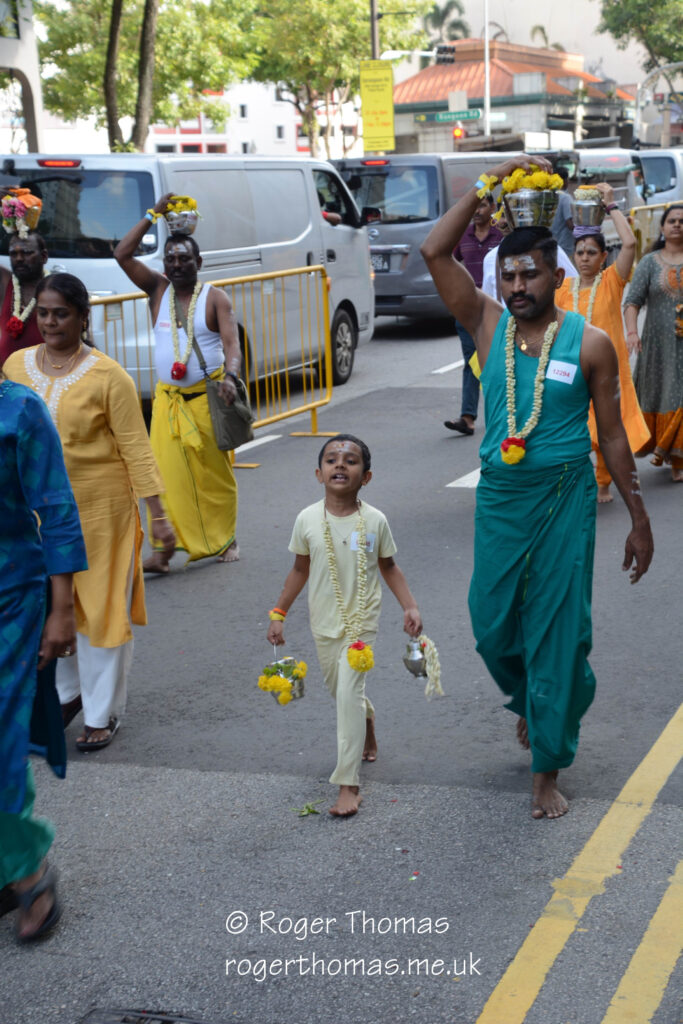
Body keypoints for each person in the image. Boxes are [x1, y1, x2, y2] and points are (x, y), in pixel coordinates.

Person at [421, 156, 653, 819]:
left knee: (555, 633)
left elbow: (610, 438)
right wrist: (482, 190)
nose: (518, 284)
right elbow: (434, 250)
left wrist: (636, 516)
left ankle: (546, 769)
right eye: (509, 274)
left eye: (530, 273)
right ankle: (540, 700)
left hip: (564, 497)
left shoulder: (590, 344)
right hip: (499, 497)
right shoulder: (486, 325)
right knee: (490, 628)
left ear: (557, 275)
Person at [4, 273, 175, 751]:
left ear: (83, 317)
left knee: (99, 608)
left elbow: (136, 450)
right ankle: (65, 695)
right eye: (43, 312)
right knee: (50, 607)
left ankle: (102, 713)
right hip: (37, 515)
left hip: (102, 512)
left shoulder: (108, 376)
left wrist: (157, 514)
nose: (51, 321)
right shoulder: (16, 367)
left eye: (61, 313)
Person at [267, 434, 422, 818]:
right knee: (341, 693)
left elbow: (389, 566)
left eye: (351, 461)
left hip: (361, 624)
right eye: (332, 460)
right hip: (324, 622)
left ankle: (348, 783)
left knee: (348, 693)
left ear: (366, 477)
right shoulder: (306, 519)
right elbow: (299, 569)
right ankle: (367, 722)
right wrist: (278, 613)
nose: (341, 465)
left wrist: (410, 606)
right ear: (318, 473)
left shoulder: (375, 520)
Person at [0, 375, 87, 942]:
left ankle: (29, 868)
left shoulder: (20, 411)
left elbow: (56, 512)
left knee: (0, 744)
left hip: (11, 601)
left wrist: (61, 610)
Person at [114, 193, 241, 570]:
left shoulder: (214, 298)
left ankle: (225, 540)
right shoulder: (158, 291)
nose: (177, 264)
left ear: (199, 262)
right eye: (171, 259)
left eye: (185, 258)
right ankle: (165, 549)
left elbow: (232, 344)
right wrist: (152, 212)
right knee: (164, 478)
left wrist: (231, 376)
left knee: (215, 480)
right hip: (168, 404)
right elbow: (122, 254)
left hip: (208, 401)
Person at [556, 183, 650, 502]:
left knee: (608, 423)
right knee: (578, 426)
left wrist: (611, 207)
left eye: (591, 253)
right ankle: (584, 477)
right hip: (572, 368)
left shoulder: (610, 281)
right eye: (580, 252)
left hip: (607, 369)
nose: (584, 258)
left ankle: (605, 480)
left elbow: (628, 244)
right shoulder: (562, 290)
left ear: (603, 256)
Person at [624, 204, 683, 483]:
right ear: (662, 227)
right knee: (666, 395)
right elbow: (632, 301)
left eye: (682, 221)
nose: (677, 225)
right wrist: (632, 333)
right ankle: (671, 453)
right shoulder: (649, 262)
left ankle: (678, 459)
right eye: (672, 221)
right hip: (658, 346)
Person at [444, 195, 503, 435]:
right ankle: (467, 418)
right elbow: (449, 261)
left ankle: (499, 415)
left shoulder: (501, 235)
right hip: (468, 309)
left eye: (482, 206)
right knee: (472, 362)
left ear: (492, 208)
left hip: (496, 310)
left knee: (498, 363)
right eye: (474, 206)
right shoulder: (464, 236)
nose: (477, 211)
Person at [482, 208, 578, 301]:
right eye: (508, 278)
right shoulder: (490, 258)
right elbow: (489, 302)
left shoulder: (550, 250)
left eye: (531, 275)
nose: (517, 288)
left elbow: (574, 288)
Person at [0, 230, 48, 367]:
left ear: (44, 256)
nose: (19, 258)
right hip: (7, 378)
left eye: (27, 252)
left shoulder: (55, 289)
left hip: (44, 376)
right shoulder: (4, 283)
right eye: (13, 254)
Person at [550, 166, 574, 258]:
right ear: (565, 180)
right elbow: (570, 223)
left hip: (552, 246)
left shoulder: (549, 196)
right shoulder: (566, 198)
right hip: (565, 247)